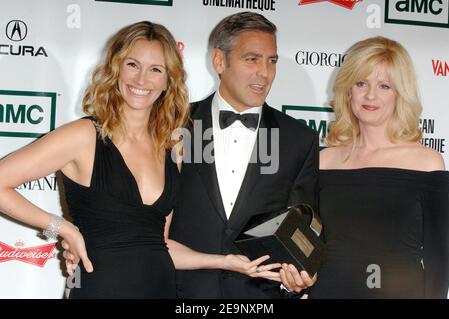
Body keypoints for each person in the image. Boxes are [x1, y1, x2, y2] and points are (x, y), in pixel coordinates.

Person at [0, 21, 279, 299]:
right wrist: (62, 228)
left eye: (155, 69)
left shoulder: (172, 148)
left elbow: (160, 244)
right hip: (99, 290)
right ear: (115, 67)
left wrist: (224, 261)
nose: (141, 80)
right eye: (132, 65)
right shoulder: (83, 136)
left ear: (169, 80)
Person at [283, 36, 449, 298]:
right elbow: (306, 244)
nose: (371, 95)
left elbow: (440, 260)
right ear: (348, 91)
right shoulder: (323, 161)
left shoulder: (427, 163)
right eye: (361, 83)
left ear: (400, 94)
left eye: (384, 86)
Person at [168, 11, 319, 299]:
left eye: (271, 61)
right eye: (252, 59)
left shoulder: (298, 139)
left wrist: (295, 280)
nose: (265, 72)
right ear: (219, 61)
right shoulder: (174, 125)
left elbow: (302, 231)